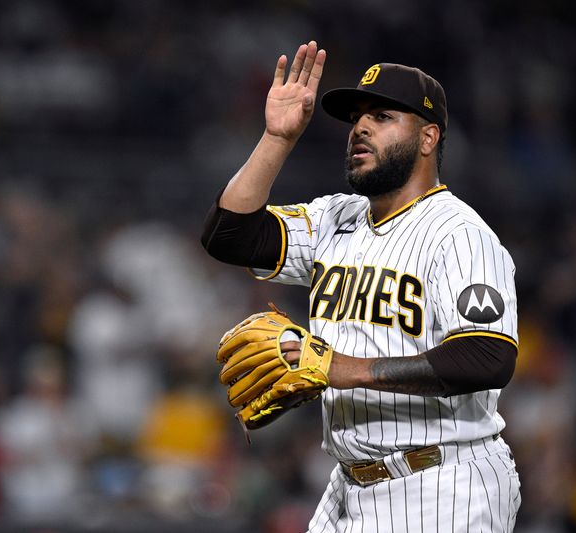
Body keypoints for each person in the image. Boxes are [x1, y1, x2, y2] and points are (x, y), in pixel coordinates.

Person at [202, 40, 521, 532]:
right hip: (351, 483)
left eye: (383, 116)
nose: (361, 127)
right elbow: (229, 235)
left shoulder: (460, 235)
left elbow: (487, 357)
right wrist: (276, 139)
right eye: (357, 118)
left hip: (444, 482)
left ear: (428, 137)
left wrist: (340, 368)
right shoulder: (336, 217)